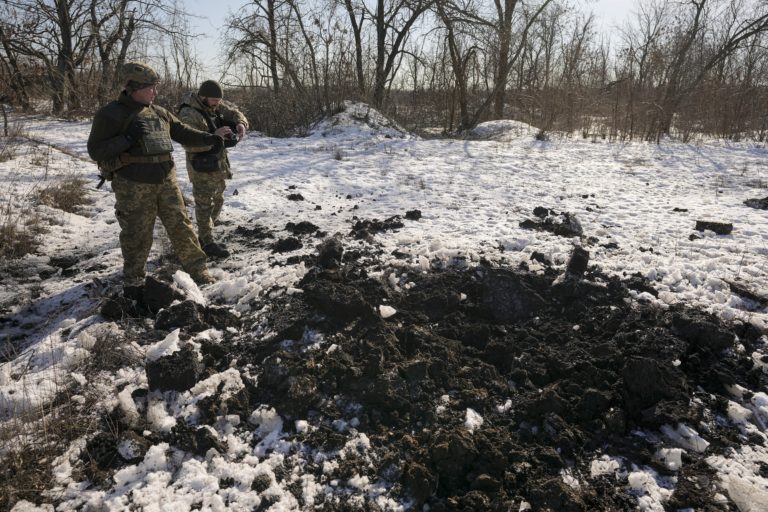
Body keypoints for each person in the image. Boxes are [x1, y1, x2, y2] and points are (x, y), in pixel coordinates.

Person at [87, 62, 226, 298]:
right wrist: (127, 138)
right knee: (137, 233)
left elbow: (182, 131)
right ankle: (133, 278)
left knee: (182, 227)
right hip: (134, 184)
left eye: (155, 87)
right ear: (133, 88)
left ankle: (198, 270)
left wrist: (210, 138)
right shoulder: (110, 114)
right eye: (150, 88)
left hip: (166, 180)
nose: (155, 92)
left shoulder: (159, 112)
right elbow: (96, 151)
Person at [177, 80, 248, 259]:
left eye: (219, 100)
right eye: (214, 100)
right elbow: (188, 142)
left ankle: (207, 229)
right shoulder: (188, 113)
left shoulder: (214, 104)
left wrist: (240, 124)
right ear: (203, 97)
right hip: (201, 166)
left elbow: (233, 111)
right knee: (204, 203)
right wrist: (213, 137)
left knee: (219, 198)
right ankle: (206, 242)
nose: (218, 103)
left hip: (218, 163)